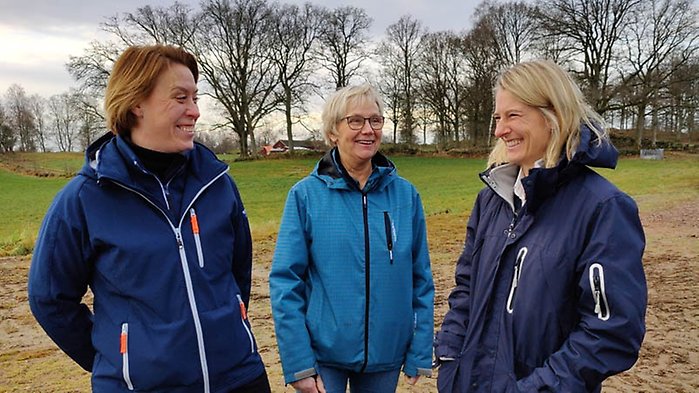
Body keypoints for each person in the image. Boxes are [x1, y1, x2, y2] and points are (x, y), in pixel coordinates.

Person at [28, 44, 271, 393]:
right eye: (181, 98)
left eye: (195, 98)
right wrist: (116, 360)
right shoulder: (84, 198)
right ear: (136, 103)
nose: (196, 111)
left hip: (240, 378)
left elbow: (237, 275)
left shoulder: (218, 184)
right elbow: (50, 298)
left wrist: (231, 328)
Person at [434, 60, 647, 393]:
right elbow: (465, 288)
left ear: (554, 116)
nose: (500, 130)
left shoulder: (604, 208)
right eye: (498, 118)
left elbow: (611, 332)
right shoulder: (490, 200)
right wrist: (450, 357)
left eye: (513, 115)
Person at [269, 83, 435, 393]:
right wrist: (298, 363)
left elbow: (421, 279)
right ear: (333, 131)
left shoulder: (406, 196)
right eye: (355, 120)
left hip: (385, 355)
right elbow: (284, 282)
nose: (368, 130)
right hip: (323, 356)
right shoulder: (305, 196)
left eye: (375, 120)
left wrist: (420, 349)